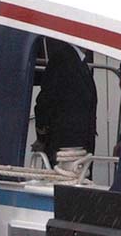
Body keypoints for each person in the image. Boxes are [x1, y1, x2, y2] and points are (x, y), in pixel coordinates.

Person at [33, 39, 97, 167]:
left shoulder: (79, 60)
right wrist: (42, 135)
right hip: (65, 142)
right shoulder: (61, 58)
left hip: (79, 142)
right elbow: (45, 99)